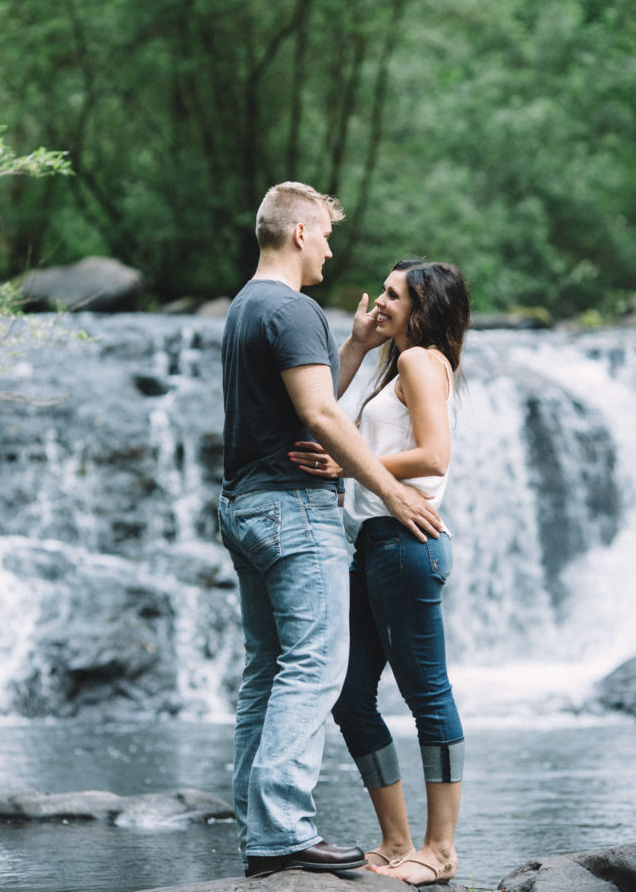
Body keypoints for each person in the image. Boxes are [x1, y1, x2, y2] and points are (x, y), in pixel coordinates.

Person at [218, 185, 443, 878]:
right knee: (312, 669)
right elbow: (319, 417)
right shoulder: (292, 307)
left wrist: (352, 345)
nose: (329, 249)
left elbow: (299, 404)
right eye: (324, 237)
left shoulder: (246, 306)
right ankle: (284, 828)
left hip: (245, 507)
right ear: (299, 233)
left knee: (266, 671)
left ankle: (259, 827)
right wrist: (385, 489)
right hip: (293, 511)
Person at [289, 258, 470, 887]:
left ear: (424, 307)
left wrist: (348, 466)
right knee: (349, 695)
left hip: (405, 541)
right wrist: (360, 344)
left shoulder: (421, 361)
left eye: (394, 296)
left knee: (429, 697)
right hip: (375, 543)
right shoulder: (397, 362)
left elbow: (434, 454)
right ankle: (395, 842)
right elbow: (318, 410)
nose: (380, 302)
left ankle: (440, 850)